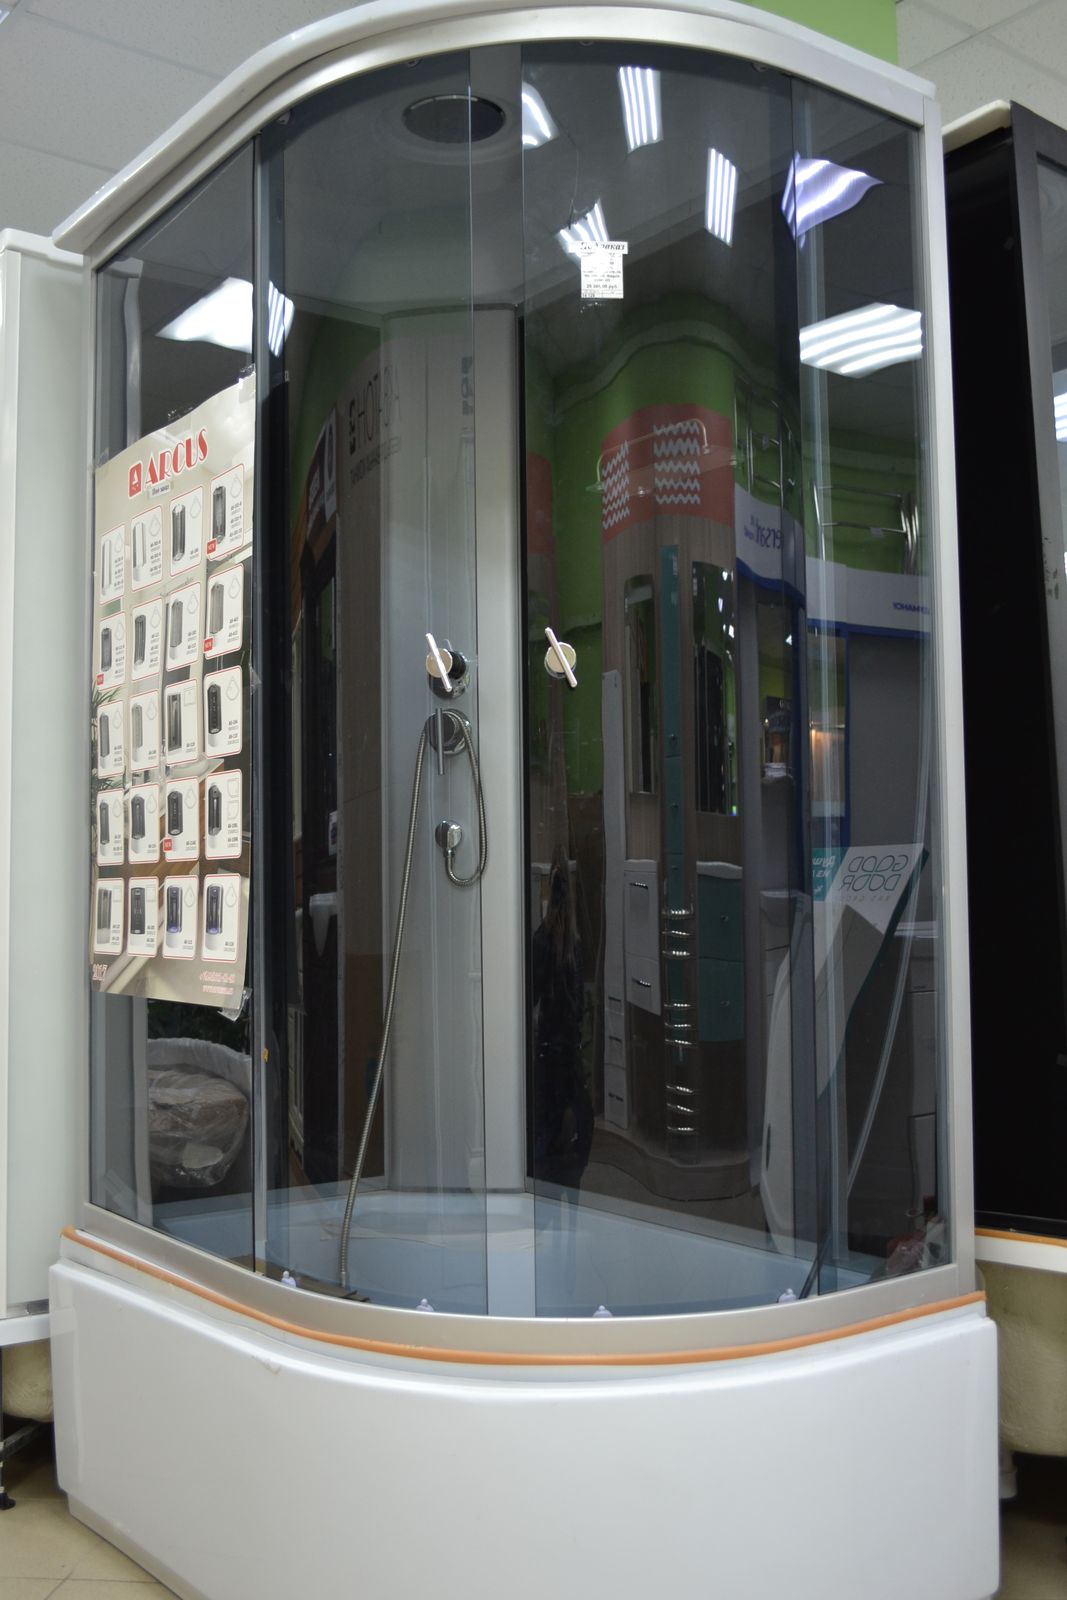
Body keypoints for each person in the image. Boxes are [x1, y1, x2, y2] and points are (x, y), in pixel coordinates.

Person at [531, 846, 592, 1192]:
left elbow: (532, 996)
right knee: (573, 1136)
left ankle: (541, 1196)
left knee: (545, 1133)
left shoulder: (541, 940)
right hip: (569, 1054)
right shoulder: (575, 945)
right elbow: (579, 1006)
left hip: (547, 1050)